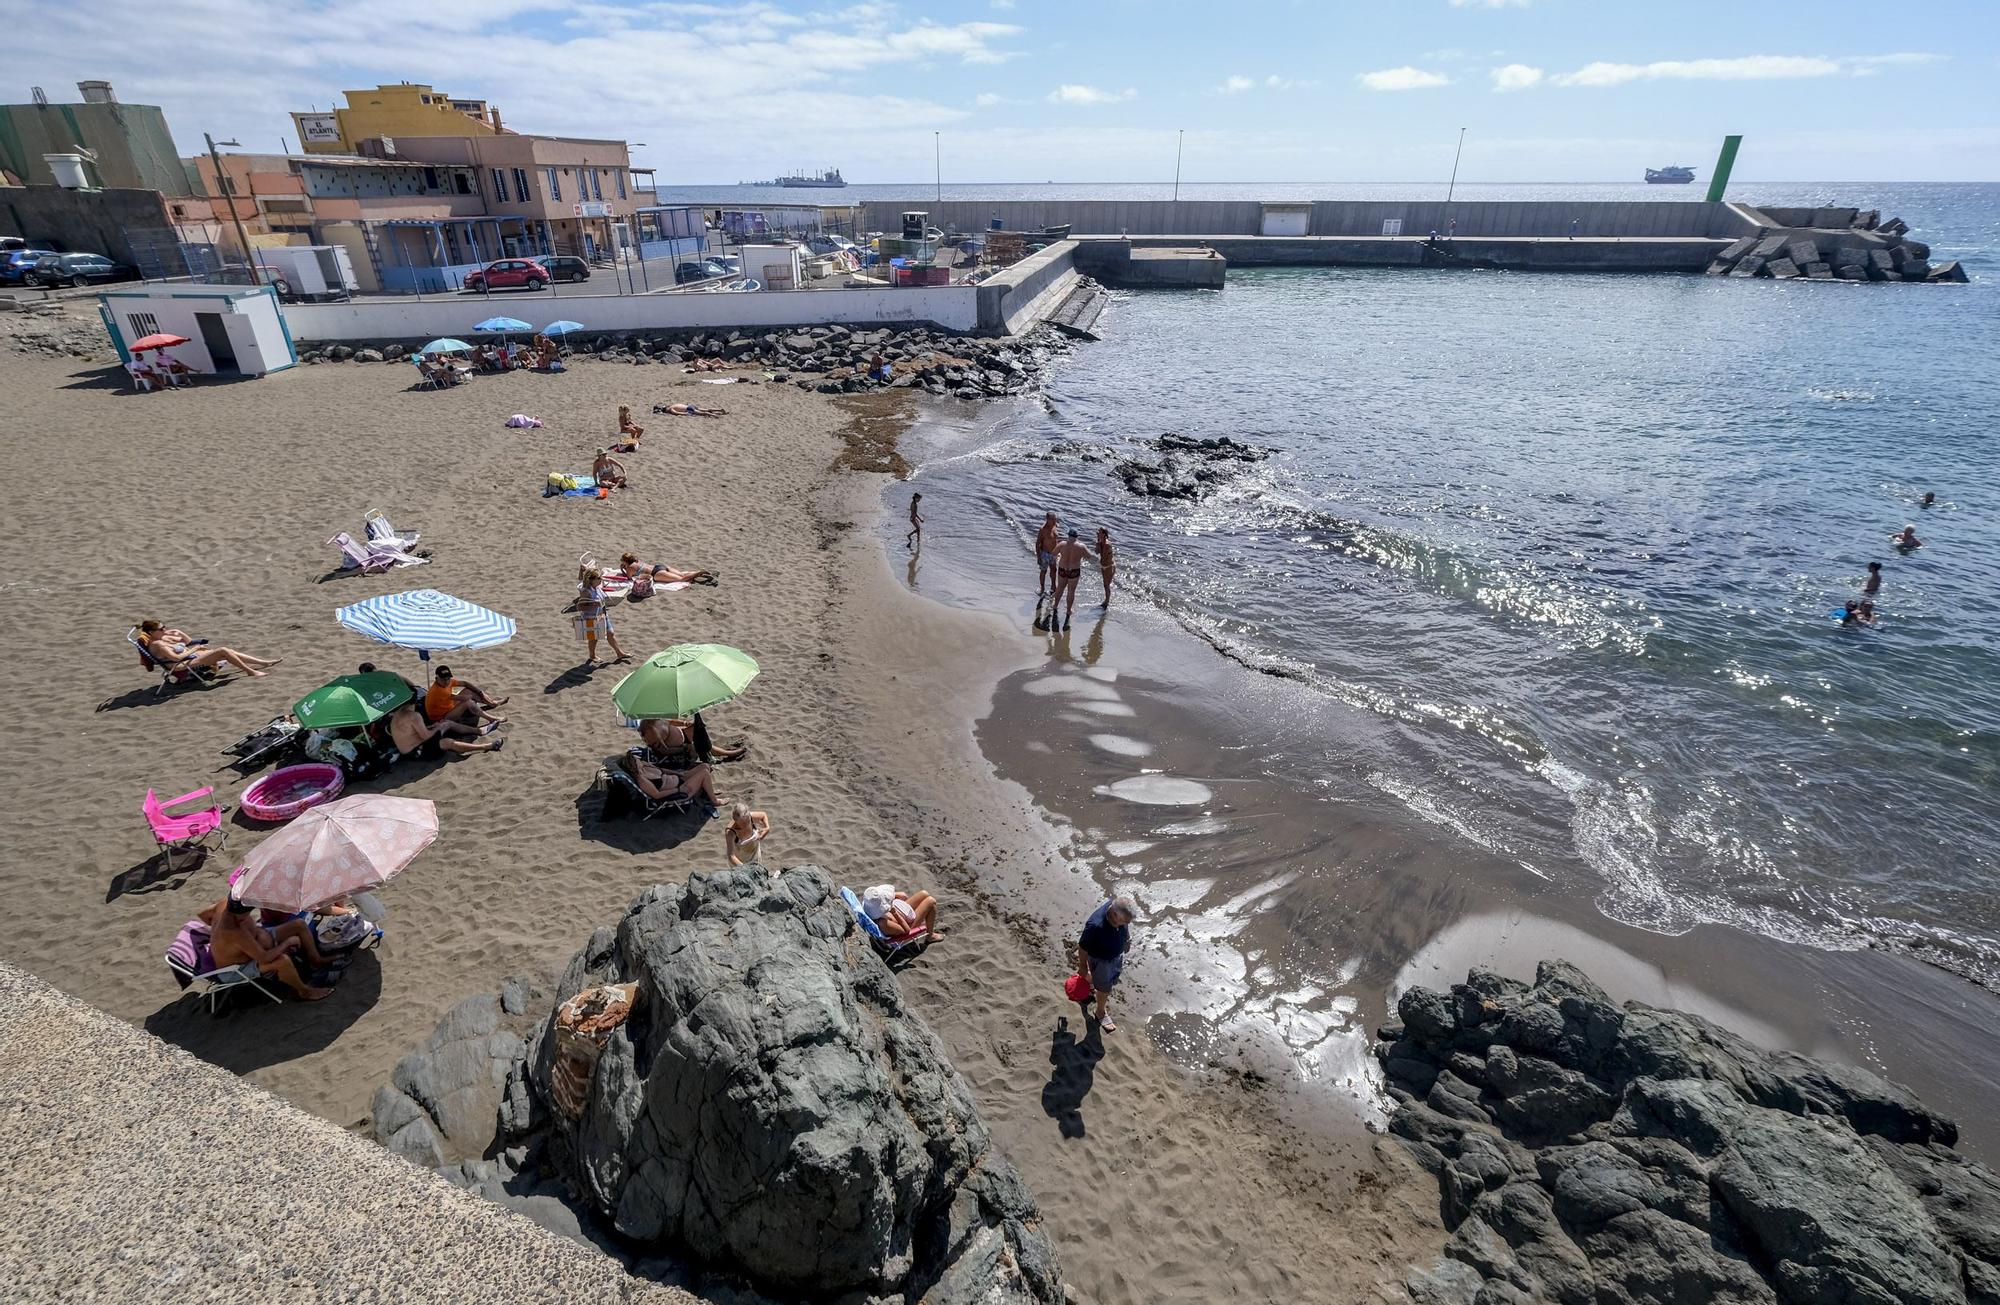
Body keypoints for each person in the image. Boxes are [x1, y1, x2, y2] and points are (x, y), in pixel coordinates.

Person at [206, 897, 332, 1000]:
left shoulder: (224, 904)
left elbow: (203, 914)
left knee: (299, 925)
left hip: (250, 944)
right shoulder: (234, 931)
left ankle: (315, 959)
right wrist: (287, 942)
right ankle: (304, 991)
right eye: (245, 917)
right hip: (235, 969)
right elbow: (264, 959)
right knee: (282, 961)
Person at [1074, 896, 1136, 1031]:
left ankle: (1089, 981)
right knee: (1104, 988)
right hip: (1101, 960)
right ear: (1114, 914)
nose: (1125, 924)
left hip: (1115, 956)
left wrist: (1127, 940)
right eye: (1123, 921)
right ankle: (1100, 1012)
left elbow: (1125, 925)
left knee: (1108, 980)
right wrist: (1082, 967)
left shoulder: (1116, 906)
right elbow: (1083, 948)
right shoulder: (1095, 926)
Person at [138, 619, 278, 678]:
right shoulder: (158, 644)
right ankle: (251, 671)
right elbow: (177, 658)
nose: (165, 629)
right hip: (181, 664)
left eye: (164, 627)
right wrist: (195, 649)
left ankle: (262, 663)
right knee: (223, 651)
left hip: (190, 657)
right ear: (151, 632)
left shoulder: (162, 638)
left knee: (227, 652)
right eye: (161, 629)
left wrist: (178, 632)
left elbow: (188, 641)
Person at [386, 701, 502, 758]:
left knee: (447, 723)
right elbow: (427, 737)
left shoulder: (397, 714)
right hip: (414, 752)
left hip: (413, 744)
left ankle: (479, 731)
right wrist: (436, 728)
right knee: (447, 742)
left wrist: (433, 727)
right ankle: (487, 746)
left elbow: (412, 732)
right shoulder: (413, 716)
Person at [621, 750, 719, 809]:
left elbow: (662, 770)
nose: (639, 759)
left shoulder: (644, 766)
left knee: (705, 766)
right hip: (681, 789)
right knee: (704, 774)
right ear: (634, 765)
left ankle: (708, 792)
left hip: (681, 779)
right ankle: (715, 801)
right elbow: (657, 795)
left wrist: (678, 773)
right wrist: (678, 790)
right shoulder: (642, 780)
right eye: (636, 759)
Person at [575, 567, 631, 667]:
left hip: (602, 614)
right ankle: (592, 655)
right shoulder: (586, 592)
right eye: (599, 578)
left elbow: (583, 577)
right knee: (593, 639)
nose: (601, 579)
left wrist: (584, 569)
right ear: (591, 580)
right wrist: (593, 605)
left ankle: (619, 653)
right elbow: (579, 607)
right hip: (591, 617)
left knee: (611, 633)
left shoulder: (596, 586)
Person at [424, 664, 506, 729]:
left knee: (468, 690)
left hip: (448, 705)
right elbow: (464, 699)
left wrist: (480, 692)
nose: (446, 681)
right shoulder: (438, 691)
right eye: (443, 679)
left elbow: (465, 683)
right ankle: (491, 719)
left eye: (448, 678)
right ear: (436, 678)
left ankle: (492, 703)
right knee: (467, 702)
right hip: (441, 717)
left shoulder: (448, 683)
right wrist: (473, 696)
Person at [862, 883, 942, 940]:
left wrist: (893, 896)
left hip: (900, 915)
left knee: (924, 893)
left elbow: (903, 895)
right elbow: (906, 931)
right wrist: (895, 913)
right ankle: (930, 936)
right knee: (931, 901)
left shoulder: (870, 906)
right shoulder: (883, 923)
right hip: (907, 925)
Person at [1049, 529, 1091, 629]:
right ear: (1077, 537)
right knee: (1071, 591)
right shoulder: (1081, 546)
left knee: (1060, 588)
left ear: (1068, 536)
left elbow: (1053, 554)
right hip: (1074, 571)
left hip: (1063, 569)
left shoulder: (1062, 544)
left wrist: (1060, 556)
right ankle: (1068, 610)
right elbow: (1089, 557)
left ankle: (1055, 606)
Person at [618, 552, 715, 594]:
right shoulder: (637, 561)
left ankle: (699, 572)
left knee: (681, 579)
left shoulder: (630, 567)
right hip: (659, 566)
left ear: (626, 561)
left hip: (657, 573)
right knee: (682, 574)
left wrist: (623, 569)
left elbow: (629, 578)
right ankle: (701, 573)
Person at [1035, 512, 1060, 595]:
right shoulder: (1042, 529)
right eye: (1052, 519)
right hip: (1045, 554)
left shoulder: (1055, 525)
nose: (1054, 520)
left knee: (1054, 570)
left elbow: (1056, 540)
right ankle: (1042, 589)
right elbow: (1037, 543)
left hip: (1054, 554)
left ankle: (1053, 588)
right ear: (1048, 519)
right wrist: (1039, 557)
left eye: (1055, 519)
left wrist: (1059, 552)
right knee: (1043, 571)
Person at [1095, 526, 1116, 606]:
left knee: (1106, 585)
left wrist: (1099, 544)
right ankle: (1107, 600)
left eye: (1099, 532)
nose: (1097, 532)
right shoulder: (1100, 542)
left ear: (1103, 534)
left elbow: (1103, 555)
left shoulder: (1107, 544)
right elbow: (1096, 552)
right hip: (1103, 565)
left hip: (1109, 566)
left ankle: (1107, 602)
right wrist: (1097, 543)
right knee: (1105, 584)